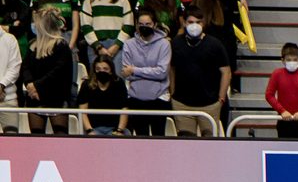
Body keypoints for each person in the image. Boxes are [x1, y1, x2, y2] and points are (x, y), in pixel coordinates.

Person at [169, 8, 229, 136]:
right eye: (190, 22)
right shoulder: (176, 43)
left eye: (198, 22)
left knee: (210, 145)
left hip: (210, 105)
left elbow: (226, 72)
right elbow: (171, 68)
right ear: (184, 23)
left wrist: (221, 98)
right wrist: (172, 92)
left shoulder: (215, 44)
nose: (194, 25)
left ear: (204, 23)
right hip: (182, 104)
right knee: (185, 143)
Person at [20, 6, 73, 135]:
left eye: (35, 23)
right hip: (35, 98)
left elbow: (58, 72)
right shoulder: (33, 45)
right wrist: (30, 84)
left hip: (56, 98)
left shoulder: (62, 46)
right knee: (37, 137)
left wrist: (37, 86)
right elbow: (25, 68)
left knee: (60, 138)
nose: (33, 25)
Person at [121, 9, 171, 137]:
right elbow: (127, 73)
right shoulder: (128, 44)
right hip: (136, 99)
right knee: (140, 141)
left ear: (154, 24)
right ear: (137, 25)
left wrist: (135, 70)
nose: (144, 27)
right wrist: (146, 71)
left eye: (148, 24)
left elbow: (162, 72)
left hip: (159, 99)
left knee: (159, 140)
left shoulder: (164, 44)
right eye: (141, 24)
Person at [80, 0, 132, 72]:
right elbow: (85, 25)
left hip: (118, 46)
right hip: (95, 46)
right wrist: (98, 47)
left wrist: (116, 45)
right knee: (96, 81)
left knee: (117, 80)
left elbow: (128, 24)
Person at [77, 56, 128, 134]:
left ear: (111, 70)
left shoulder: (119, 83)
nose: (102, 71)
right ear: (94, 70)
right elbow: (83, 111)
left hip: (114, 128)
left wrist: (119, 130)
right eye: (98, 69)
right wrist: (89, 130)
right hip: (94, 128)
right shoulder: (87, 85)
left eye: (105, 69)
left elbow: (124, 109)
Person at [0, 22, 19, 135]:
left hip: (8, 99)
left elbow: (15, 67)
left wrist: (1, 85)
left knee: (13, 143)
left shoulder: (10, 39)